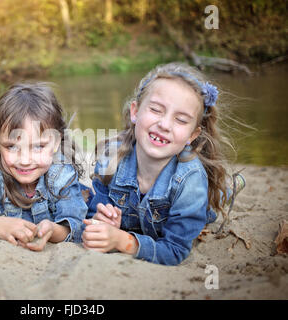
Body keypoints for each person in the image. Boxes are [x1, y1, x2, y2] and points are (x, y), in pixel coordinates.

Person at [82, 62, 245, 265]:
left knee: (211, 205)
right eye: (156, 110)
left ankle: (228, 189)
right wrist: (102, 218)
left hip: (194, 202)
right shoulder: (112, 156)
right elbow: (96, 206)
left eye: (181, 120)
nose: (165, 124)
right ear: (135, 111)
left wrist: (124, 241)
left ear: (192, 135)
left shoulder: (190, 180)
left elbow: (175, 250)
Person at [0, 83, 87, 256]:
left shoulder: (62, 174)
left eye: (38, 147)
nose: (24, 160)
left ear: (55, 143)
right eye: (11, 147)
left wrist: (53, 230)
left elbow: (77, 227)